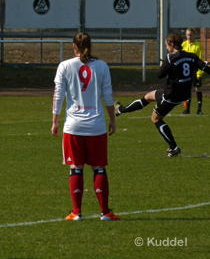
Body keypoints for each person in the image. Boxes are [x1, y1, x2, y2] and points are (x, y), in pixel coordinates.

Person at [51, 32, 119, 221]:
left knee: (76, 167)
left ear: (74, 46)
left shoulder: (64, 66)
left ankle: (76, 212)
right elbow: (108, 95)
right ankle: (105, 212)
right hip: (96, 126)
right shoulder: (102, 66)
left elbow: (58, 96)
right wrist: (112, 120)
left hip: (73, 126)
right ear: (91, 45)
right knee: (99, 168)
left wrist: (55, 121)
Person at [115, 33, 210, 157]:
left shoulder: (171, 57)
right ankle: (120, 110)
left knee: (155, 119)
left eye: (166, 45)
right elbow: (205, 67)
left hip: (171, 95)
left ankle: (173, 147)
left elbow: (159, 75)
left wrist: (168, 66)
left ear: (171, 44)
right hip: (183, 93)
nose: (166, 48)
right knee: (148, 96)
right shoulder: (191, 56)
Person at [181, 27, 204, 115]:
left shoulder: (198, 45)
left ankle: (199, 109)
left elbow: (200, 60)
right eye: (187, 35)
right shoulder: (184, 45)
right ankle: (187, 109)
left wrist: (199, 73)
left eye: (191, 35)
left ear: (194, 35)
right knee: (187, 89)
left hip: (195, 71)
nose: (189, 37)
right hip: (186, 71)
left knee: (197, 88)